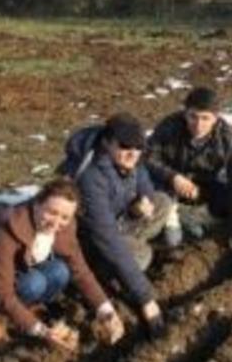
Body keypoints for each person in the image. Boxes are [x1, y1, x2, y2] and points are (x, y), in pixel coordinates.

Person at [0, 178, 124, 352]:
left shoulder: (64, 227)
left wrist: (106, 310)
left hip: (20, 271)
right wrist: (42, 332)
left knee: (60, 271)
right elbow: (1, 291)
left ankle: (25, 310)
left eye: (65, 217)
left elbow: (81, 271)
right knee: (34, 283)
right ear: (37, 204)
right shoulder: (6, 227)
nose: (56, 223)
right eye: (52, 212)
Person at [70, 112, 168, 337]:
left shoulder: (132, 160)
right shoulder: (91, 177)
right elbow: (105, 237)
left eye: (138, 146)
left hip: (120, 221)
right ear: (107, 143)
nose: (133, 152)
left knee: (162, 202)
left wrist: (143, 201)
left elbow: (146, 185)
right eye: (125, 145)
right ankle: (108, 271)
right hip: (92, 240)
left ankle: (125, 261)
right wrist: (146, 299)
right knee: (140, 256)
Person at [146, 87, 232, 258]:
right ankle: (171, 223)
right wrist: (173, 177)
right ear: (185, 113)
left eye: (205, 118)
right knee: (171, 240)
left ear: (216, 118)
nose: (198, 124)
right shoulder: (169, 126)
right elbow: (147, 157)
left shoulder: (228, 138)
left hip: (204, 186)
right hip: (168, 184)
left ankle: (194, 222)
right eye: (193, 117)